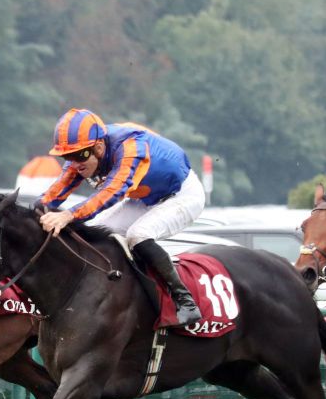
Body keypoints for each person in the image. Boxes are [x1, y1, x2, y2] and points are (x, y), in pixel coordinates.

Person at [38, 108, 204, 325]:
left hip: (183, 194)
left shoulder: (130, 149)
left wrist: (68, 215)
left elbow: (110, 194)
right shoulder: (84, 153)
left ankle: (185, 301)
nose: (75, 163)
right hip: (146, 198)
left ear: (98, 147)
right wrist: (30, 212)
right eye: (67, 156)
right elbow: (55, 193)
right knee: (96, 233)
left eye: (79, 155)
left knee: (138, 235)